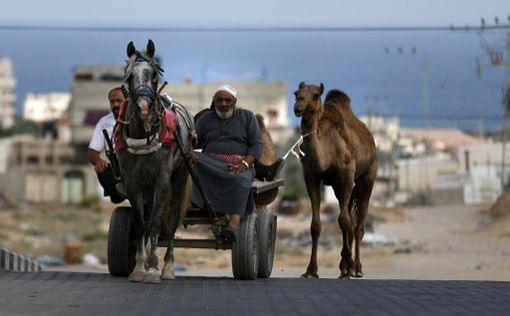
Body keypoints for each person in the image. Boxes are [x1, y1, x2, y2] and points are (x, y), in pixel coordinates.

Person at [192, 84, 262, 241]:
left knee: (240, 179)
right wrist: (190, 149)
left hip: (239, 164)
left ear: (234, 101)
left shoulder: (247, 117)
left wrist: (244, 165)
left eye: (227, 100)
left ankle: (233, 223)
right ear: (214, 101)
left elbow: (257, 145)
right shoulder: (205, 119)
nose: (223, 104)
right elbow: (193, 141)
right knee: (188, 165)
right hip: (209, 163)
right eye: (220, 100)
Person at [87, 87, 126, 203]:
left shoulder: (139, 119)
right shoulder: (104, 123)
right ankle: (117, 193)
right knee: (101, 169)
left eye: (119, 101)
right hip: (118, 168)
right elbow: (92, 151)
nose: (115, 104)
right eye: (112, 102)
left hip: (139, 166)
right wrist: (98, 160)